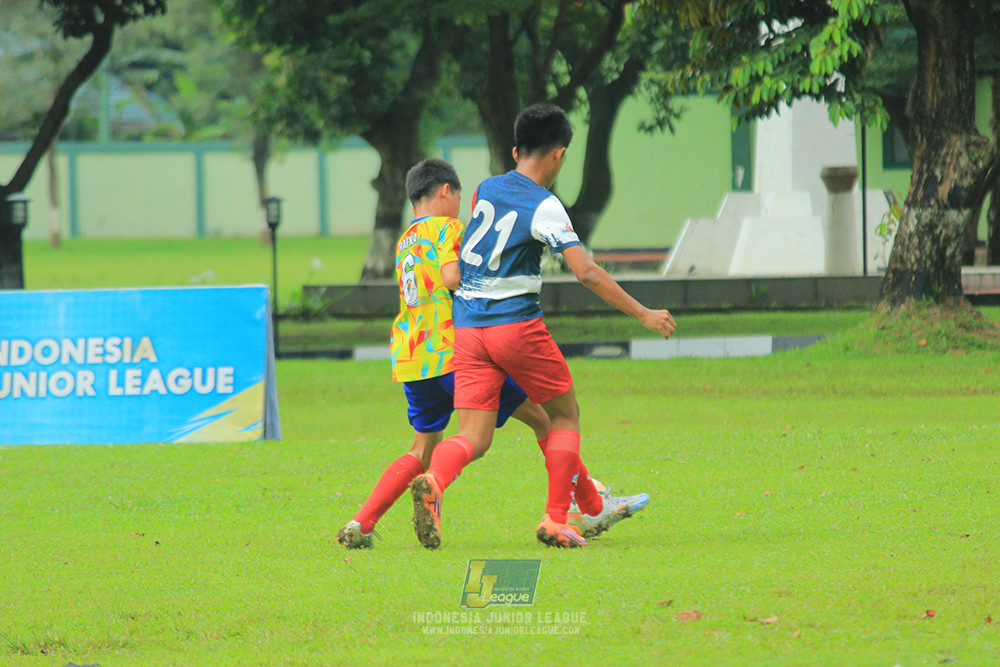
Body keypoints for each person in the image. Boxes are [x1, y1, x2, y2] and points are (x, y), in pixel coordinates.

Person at [337, 157, 646, 549]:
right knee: (547, 421)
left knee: (421, 449)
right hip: (459, 352)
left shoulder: (404, 241)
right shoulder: (446, 227)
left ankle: (362, 523)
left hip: (415, 359)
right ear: (446, 192)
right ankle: (588, 504)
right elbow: (452, 277)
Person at [410, 105, 675, 550]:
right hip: (514, 326)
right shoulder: (547, 206)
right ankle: (557, 518)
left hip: (468, 330)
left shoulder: (486, 189)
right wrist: (643, 314)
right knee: (564, 416)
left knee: (472, 436)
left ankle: (434, 481)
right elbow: (587, 273)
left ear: (516, 151)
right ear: (559, 155)